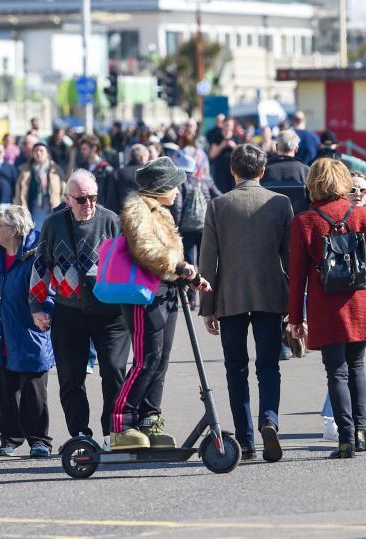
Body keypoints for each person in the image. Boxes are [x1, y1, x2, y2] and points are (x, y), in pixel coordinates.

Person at [287, 158, 366, 459]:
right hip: (360, 301)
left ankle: (345, 438)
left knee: (335, 371)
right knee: (357, 367)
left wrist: (295, 317)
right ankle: (361, 431)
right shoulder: (361, 215)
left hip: (325, 306)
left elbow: (297, 277)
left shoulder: (304, 222)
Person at [199, 144, 294, 461]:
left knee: (235, 368)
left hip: (231, 297)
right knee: (268, 366)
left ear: (232, 170)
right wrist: (296, 305)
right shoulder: (280, 204)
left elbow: (208, 262)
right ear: (263, 171)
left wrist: (207, 307)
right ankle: (270, 419)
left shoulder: (218, 205)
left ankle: (246, 439)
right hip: (271, 295)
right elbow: (290, 259)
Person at [111, 158, 212, 450]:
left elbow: (171, 258)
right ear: (161, 187)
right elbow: (146, 248)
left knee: (160, 360)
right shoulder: (138, 209)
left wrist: (190, 276)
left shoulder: (161, 211)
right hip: (146, 294)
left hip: (166, 291)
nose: (179, 190)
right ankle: (121, 422)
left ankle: (149, 420)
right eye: (175, 185)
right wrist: (179, 265)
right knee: (146, 359)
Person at [28, 170, 130, 445]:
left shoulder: (111, 221)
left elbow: (126, 265)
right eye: (82, 199)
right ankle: (80, 434)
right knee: (70, 377)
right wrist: (38, 305)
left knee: (114, 370)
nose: (89, 204)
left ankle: (112, 430)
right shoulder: (53, 224)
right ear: (67, 199)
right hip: (68, 310)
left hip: (110, 312)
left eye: (93, 197)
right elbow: (41, 267)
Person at [320, 171, 366, 444]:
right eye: (353, 190)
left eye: (363, 191)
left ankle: (346, 425)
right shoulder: (335, 217)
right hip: (343, 300)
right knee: (348, 366)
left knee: (346, 366)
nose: (358, 195)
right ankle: (359, 422)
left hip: (364, 300)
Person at [0, 206, 54, 458]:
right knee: (5, 391)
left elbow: (48, 290)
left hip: (29, 332)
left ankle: (39, 440)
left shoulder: (37, 254)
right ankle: (10, 438)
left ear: (14, 230)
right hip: (1, 332)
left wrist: (44, 311)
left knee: (33, 390)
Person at [172, 152, 221, 310]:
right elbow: (219, 197)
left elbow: (178, 206)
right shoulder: (205, 180)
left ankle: (191, 298)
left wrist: (176, 226)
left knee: (190, 262)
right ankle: (207, 296)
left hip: (186, 229)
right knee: (204, 261)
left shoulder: (181, 183)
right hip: (204, 226)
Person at [14, 142, 64, 230]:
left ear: (47, 154)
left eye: (41, 151)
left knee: (52, 232)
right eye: (36, 151)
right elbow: (19, 191)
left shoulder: (55, 169)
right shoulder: (26, 170)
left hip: (53, 206)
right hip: (34, 207)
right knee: (36, 233)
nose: (38, 153)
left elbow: (64, 188)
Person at [261, 129, 311, 215]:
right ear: (296, 149)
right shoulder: (306, 171)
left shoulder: (264, 171)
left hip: (270, 223)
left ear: (276, 147)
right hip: (298, 223)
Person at [80, 135, 118, 211]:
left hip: (101, 211)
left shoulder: (107, 170)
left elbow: (111, 197)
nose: (82, 152)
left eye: (84, 149)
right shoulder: (82, 169)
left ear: (94, 148)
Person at [208, 118, 241, 194]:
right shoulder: (217, 137)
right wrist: (221, 146)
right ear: (223, 125)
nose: (228, 127)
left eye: (230, 125)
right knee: (220, 193)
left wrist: (234, 146)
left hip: (233, 171)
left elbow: (242, 154)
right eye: (227, 125)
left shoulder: (236, 138)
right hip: (220, 171)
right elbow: (212, 155)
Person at [113, 144, 148, 212]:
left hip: (122, 216)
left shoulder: (118, 173)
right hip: (144, 215)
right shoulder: (148, 173)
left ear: (130, 157)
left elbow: (112, 200)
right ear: (142, 158)